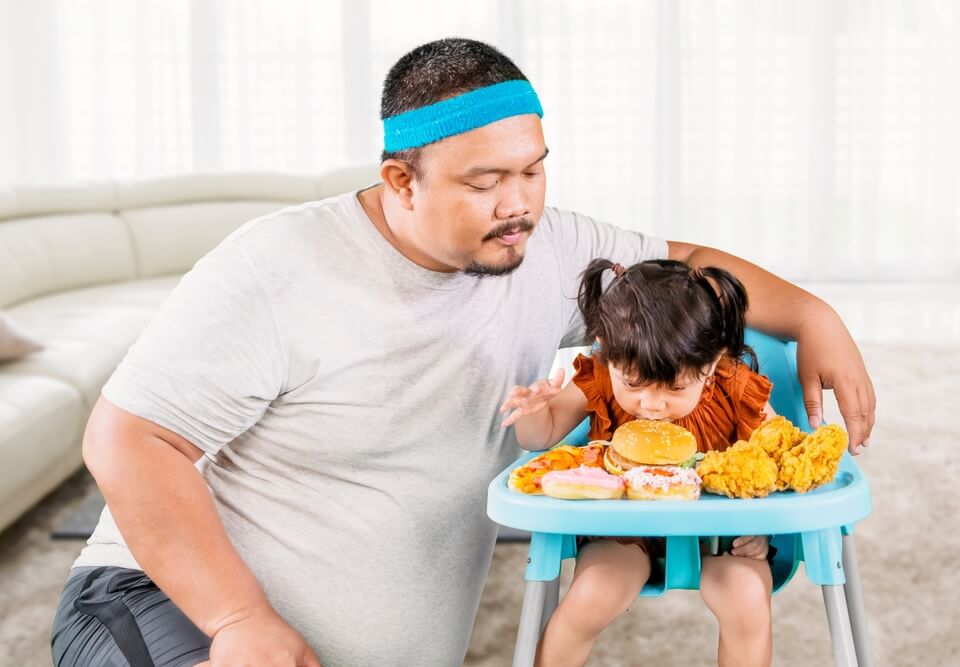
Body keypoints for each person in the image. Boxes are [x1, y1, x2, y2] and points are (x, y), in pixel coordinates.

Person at [50, 38, 874, 666]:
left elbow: (687, 272)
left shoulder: (549, 250)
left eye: (534, 171)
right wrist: (238, 618)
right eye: (485, 183)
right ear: (402, 180)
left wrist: (813, 315)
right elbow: (126, 438)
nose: (519, 205)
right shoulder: (274, 267)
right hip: (179, 607)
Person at [502, 258, 778, 667]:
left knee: (746, 597)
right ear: (606, 352)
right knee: (590, 596)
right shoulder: (598, 375)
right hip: (624, 532)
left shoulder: (734, 385)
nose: (651, 405)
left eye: (675, 387)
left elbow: (778, 461)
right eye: (631, 383)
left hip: (724, 535)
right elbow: (540, 438)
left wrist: (761, 529)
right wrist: (532, 413)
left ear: (712, 364)